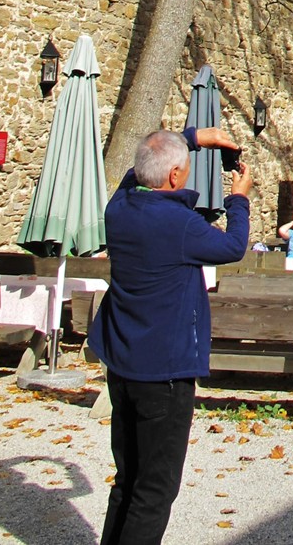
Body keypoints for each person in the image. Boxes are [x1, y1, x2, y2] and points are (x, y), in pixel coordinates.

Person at [89, 125, 250, 545]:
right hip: (164, 372)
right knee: (154, 490)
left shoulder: (119, 206)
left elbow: (139, 166)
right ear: (176, 177)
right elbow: (233, 246)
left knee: (127, 479)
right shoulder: (178, 224)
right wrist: (240, 198)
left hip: (122, 364)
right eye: (187, 167)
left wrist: (195, 137)